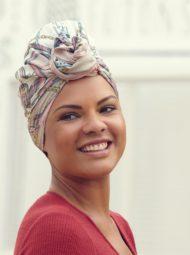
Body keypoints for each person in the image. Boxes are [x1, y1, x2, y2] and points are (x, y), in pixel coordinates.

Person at [14, 20, 138, 255]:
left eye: (107, 109)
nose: (95, 125)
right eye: (70, 116)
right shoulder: (54, 229)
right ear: (40, 135)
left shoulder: (119, 226)